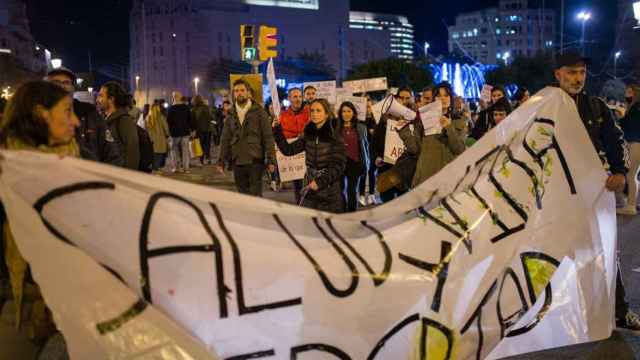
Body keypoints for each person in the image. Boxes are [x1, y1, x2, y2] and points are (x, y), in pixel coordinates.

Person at [552, 50, 640, 331]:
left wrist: (619, 173)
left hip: (591, 196)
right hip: (553, 199)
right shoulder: (543, 106)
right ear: (558, 75)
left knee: (603, 251)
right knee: (545, 257)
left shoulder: (596, 107)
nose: (577, 78)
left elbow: (616, 141)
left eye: (581, 72)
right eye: (571, 72)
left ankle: (619, 311)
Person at [0, 80, 80, 353]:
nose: (77, 121)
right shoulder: (4, 167)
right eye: (68, 111)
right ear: (40, 113)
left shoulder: (79, 162)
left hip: (72, 305)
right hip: (15, 304)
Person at [272, 99, 346, 212]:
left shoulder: (335, 134)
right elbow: (288, 150)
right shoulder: (308, 134)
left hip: (330, 188)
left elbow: (338, 166)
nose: (314, 114)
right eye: (312, 111)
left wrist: (319, 182)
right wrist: (277, 129)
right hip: (310, 186)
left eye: (318, 110)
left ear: (326, 114)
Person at [216, 79, 276, 197]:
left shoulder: (259, 112)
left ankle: (257, 215)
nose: (239, 93)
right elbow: (225, 138)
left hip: (255, 160)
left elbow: (268, 137)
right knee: (242, 196)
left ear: (248, 92)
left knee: (255, 195)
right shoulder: (231, 115)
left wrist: (271, 159)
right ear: (233, 94)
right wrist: (221, 160)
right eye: (236, 91)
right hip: (237, 161)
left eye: (242, 90)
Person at [46, 66, 108, 162]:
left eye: (66, 82)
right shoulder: (40, 115)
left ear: (73, 88)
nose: (62, 86)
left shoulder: (89, 111)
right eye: (56, 82)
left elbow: (111, 152)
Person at [411, 82, 468, 187]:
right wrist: (402, 130)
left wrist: (449, 127)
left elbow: (459, 149)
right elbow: (415, 148)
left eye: (446, 95)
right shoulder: (424, 120)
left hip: (448, 179)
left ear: (451, 98)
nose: (443, 98)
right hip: (426, 177)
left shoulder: (459, 120)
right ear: (433, 99)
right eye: (438, 96)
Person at [371, 87, 415, 203]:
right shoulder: (384, 121)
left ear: (412, 100)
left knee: (405, 208)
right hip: (386, 171)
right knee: (387, 207)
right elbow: (374, 144)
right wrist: (376, 158)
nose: (404, 101)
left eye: (407, 98)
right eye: (401, 98)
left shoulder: (415, 121)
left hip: (407, 172)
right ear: (396, 99)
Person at [96, 81, 140, 170]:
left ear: (111, 99)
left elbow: (133, 152)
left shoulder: (124, 120)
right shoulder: (105, 119)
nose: (97, 100)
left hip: (120, 175)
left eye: (101, 96)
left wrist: (127, 176)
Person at [279, 88, 310, 203]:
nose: (298, 99)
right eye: (295, 97)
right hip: (294, 157)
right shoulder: (282, 116)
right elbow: (281, 134)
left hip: (308, 154)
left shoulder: (310, 113)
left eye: (300, 97)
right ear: (289, 98)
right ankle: (300, 205)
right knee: (298, 186)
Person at [337, 101, 369, 212]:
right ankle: (342, 210)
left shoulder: (361, 127)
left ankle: (351, 212)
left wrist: (366, 163)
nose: (346, 114)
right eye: (343, 111)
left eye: (349, 111)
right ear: (340, 113)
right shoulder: (335, 127)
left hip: (355, 163)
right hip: (339, 163)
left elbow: (365, 146)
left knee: (352, 189)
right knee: (340, 190)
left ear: (353, 113)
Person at [618, 84, 640, 216]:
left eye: (629, 91)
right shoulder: (635, 107)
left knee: (630, 175)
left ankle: (630, 206)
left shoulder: (636, 108)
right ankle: (634, 202)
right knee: (634, 175)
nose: (626, 93)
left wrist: (621, 117)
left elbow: (629, 125)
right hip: (636, 142)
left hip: (636, 143)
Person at [167, 91, 194, 173]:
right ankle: (186, 168)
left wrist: (168, 133)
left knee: (174, 151)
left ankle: (175, 167)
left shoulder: (171, 108)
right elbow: (190, 120)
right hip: (185, 132)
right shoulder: (186, 107)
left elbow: (168, 121)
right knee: (185, 151)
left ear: (173, 97)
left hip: (174, 133)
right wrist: (192, 130)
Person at [359, 96, 378, 206]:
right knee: (363, 172)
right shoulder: (360, 121)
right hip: (363, 150)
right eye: (365, 107)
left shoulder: (375, 120)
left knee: (372, 172)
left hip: (373, 150)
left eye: (369, 106)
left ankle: (371, 195)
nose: (368, 109)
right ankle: (361, 195)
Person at [146, 103, 170, 172]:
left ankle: (154, 168)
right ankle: (156, 169)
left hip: (150, 140)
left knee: (153, 155)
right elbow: (166, 128)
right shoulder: (161, 117)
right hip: (160, 140)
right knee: (159, 156)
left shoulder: (148, 117)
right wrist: (167, 135)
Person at [192, 95, 213, 165]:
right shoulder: (206, 107)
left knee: (200, 145)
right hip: (208, 129)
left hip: (199, 129)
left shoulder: (194, 109)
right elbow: (211, 117)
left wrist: (193, 129)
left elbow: (194, 120)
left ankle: (201, 160)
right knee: (207, 144)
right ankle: (208, 158)